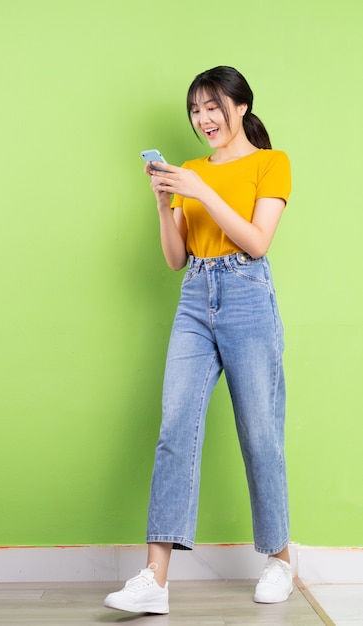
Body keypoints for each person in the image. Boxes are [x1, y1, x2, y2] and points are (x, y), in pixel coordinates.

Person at [104, 65, 292, 615]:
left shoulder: (269, 163)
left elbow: (257, 241)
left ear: (240, 106)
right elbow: (175, 258)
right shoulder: (189, 170)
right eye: (195, 110)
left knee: (260, 433)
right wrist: (165, 203)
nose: (203, 119)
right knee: (174, 427)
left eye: (213, 106)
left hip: (247, 293)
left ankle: (279, 558)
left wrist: (201, 191)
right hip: (195, 295)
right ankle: (155, 578)